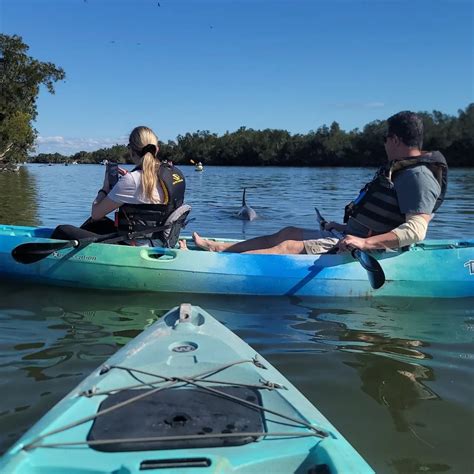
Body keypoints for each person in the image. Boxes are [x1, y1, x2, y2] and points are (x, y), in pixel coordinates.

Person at [184, 111, 447, 254]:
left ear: (396, 140)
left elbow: (415, 231)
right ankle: (220, 247)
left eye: (386, 138)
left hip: (368, 250)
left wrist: (365, 243)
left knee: (288, 246)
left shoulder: (418, 176)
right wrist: (343, 226)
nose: (385, 143)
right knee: (286, 231)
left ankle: (217, 260)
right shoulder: (404, 172)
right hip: (349, 236)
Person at [51, 125, 188, 247]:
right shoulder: (174, 173)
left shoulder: (132, 180)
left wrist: (105, 188)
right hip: (164, 242)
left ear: (131, 150)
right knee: (95, 224)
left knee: (62, 230)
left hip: (136, 246)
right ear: (156, 149)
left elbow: (96, 213)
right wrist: (131, 179)